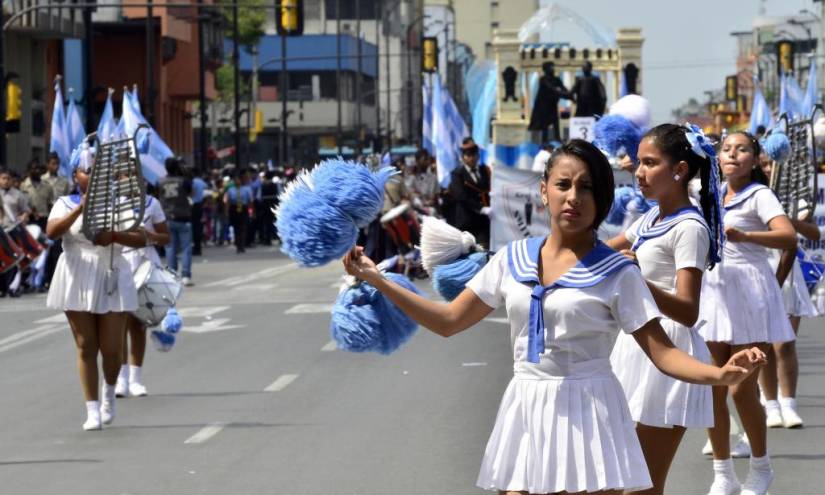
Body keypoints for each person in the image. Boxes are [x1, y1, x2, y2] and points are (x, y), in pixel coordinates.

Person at [342, 139, 765, 495]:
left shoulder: (618, 271)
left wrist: (719, 375)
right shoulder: (511, 260)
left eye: (586, 188)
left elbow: (663, 353)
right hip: (528, 404)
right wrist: (380, 280)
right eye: (563, 184)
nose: (573, 197)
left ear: (601, 199)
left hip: (592, 408)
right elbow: (449, 320)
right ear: (543, 191)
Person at [607, 124, 724, 495]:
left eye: (649, 163)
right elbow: (600, 254)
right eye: (639, 162)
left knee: (644, 484)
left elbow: (688, 310)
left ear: (680, 170)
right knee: (615, 477)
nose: (638, 171)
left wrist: (639, 280)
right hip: (634, 346)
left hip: (667, 351)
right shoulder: (650, 219)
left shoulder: (689, 227)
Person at [697, 132, 797, 495]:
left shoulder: (761, 195)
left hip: (750, 290)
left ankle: (761, 466)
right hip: (714, 289)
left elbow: (788, 238)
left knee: (741, 388)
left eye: (742, 149)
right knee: (712, 384)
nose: (733, 154)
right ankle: (723, 473)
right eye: (726, 149)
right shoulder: (708, 193)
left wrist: (746, 237)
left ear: (755, 159)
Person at [45, 148, 148, 430]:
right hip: (76, 274)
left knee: (112, 349)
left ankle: (108, 394)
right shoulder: (65, 203)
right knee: (85, 345)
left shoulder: (120, 203)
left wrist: (114, 236)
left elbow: (141, 238)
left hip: (111, 273)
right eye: (85, 171)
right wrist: (82, 207)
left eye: (96, 171)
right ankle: (91, 409)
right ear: (75, 174)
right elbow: (52, 232)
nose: (91, 176)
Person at [117, 190, 170, 398]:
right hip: (121, 262)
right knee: (119, 323)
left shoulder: (152, 203)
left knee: (138, 325)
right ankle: (120, 378)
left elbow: (166, 237)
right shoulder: (112, 203)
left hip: (146, 264)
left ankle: (135, 380)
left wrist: (149, 236)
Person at [448, 138, 491, 248]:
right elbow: (461, 196)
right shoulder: (457, 174)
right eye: (468, 155)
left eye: (474, 155)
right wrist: (480, 208)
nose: (472, 158)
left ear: (478, 156)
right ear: (463, 157)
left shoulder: (484, 170)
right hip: (466, 221)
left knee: (484, 250)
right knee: (468, 253)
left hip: (483, 221)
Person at [158, 157, 194, 286]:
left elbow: (157, 196)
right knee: (185, 248)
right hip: (183, 216)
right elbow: (191, 194)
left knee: (170, 247)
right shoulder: (183, 181)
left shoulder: (160, 182)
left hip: (166, 217)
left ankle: (172, 274)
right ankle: (185, 275)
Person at [528, 62, 571, 142]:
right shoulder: (543, 80)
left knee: (555, 121)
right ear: (545, 70)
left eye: (552, 67)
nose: (552, 69)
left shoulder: (557, 79)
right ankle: (544, 140)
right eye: (550, 67)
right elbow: (552, 89)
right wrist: (565, 95)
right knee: (544, 123)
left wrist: (570, 95)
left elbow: (563, 89)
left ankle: (557, 138)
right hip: (544, 106)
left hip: (553, 104)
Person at [20, 159, 55, 231]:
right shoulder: (23, 185)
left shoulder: (47, 186)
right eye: (35, 169)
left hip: (44, 219)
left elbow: (50, 204)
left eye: (39, 168)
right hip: (30, 219)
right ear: (29, 170)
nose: (37, 171)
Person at [224, 169, 253, 254]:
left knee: (243, 228)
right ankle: (238, 245)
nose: (237, 181)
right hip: (234, 209)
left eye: (238, 180)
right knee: (236, 228)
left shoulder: (247, 189)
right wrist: (226, 211)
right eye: (235, 180)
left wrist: (251, 211)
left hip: (243, 209)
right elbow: (228, 202)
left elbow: (250, 201)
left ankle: (242, 245)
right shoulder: (230, 190)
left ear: (241, 180)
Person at [191, 172, 207, 256]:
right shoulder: (202, 182)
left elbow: (191, 193)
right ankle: (198, 247)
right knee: (199, 226)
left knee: (194, 227)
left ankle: (196, 247)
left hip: (193, 205)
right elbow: (207, 190)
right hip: (200, 205)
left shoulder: (192, 182)